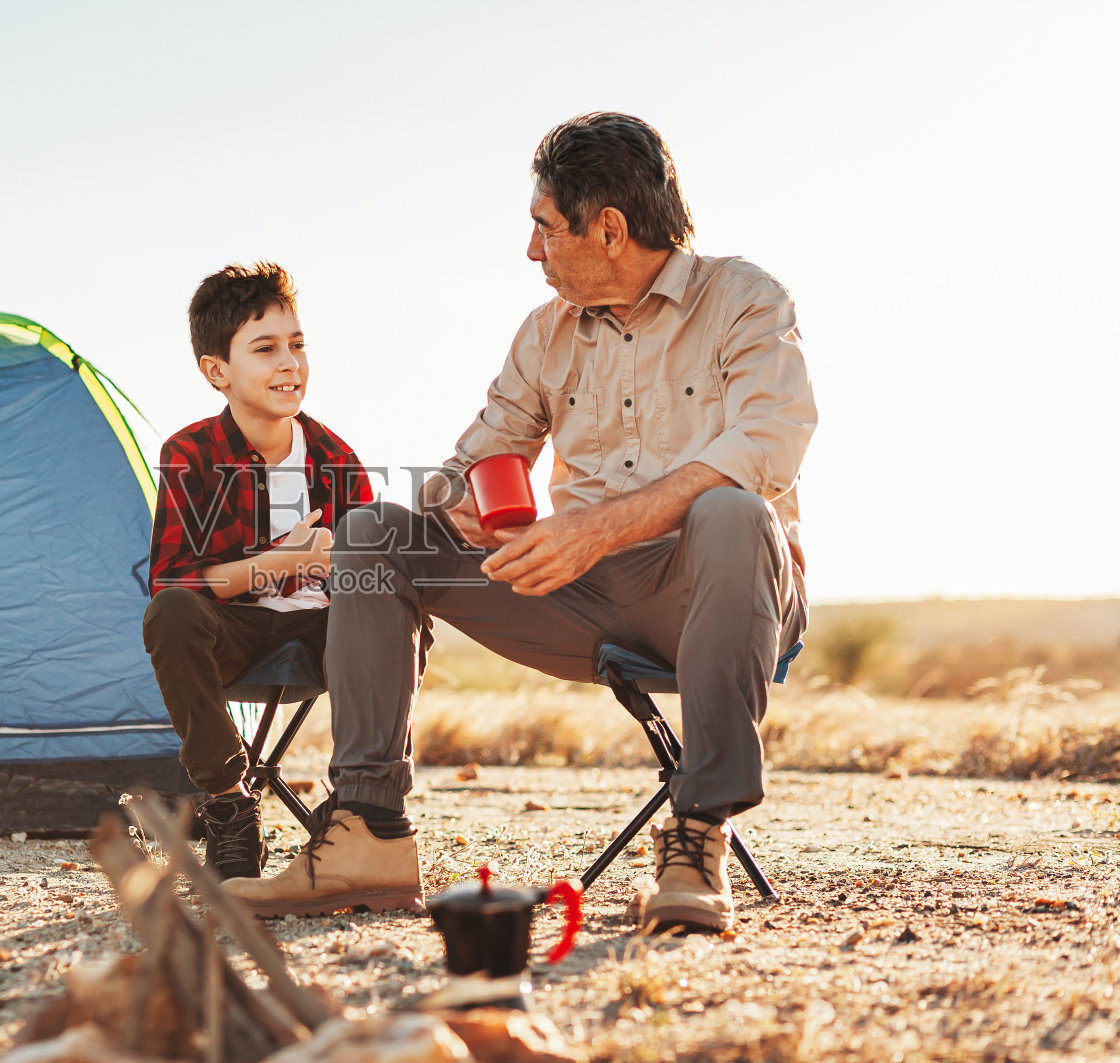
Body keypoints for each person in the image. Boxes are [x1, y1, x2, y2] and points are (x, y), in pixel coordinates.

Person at [224, 113, 816, 932]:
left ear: (607, 229)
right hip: (576, 593)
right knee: (375, 533)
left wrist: (601, 527)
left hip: (718, 589)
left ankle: (698, 833)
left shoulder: (745, 299)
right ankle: (369, 832)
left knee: (732, 509)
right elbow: (474, 455)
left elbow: (766, 446)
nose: (530, 251)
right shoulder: (545, 335)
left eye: (543, 226)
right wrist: (453, 499)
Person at [143, 261, 374, 880]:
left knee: (395, 610)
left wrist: (348, 567)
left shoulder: (335, 457)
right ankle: (227, 802)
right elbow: (174, 580)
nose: (289, 364)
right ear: (216, 371)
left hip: (324, 632)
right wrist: (281, 563)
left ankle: (360, 802)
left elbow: (373, 574)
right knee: (169, 613)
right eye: (265, 348)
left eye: (297, 346)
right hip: (235, 635)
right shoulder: (189, 454)